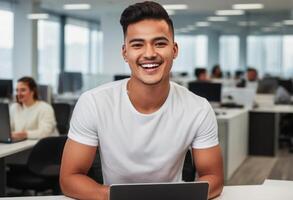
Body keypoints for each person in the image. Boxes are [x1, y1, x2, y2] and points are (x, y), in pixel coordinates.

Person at [60, 1, 223, 200]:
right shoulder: (94, 103)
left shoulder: (198, 108)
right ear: (125, 53)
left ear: (174, 50)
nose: (149, 54)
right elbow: (69, 178)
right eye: (137, 44)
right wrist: (120, 197)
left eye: (160, 43)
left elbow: (213, 177)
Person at [10, 76, 58, 140]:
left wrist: (25, 134)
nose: (19, 93)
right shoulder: (14, 107)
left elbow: (45, 132)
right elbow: (9, 129)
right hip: (23, 143)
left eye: (23, 90)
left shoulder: (45, 108)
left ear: (32, 91)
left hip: (45, 145)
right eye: (17, 90)